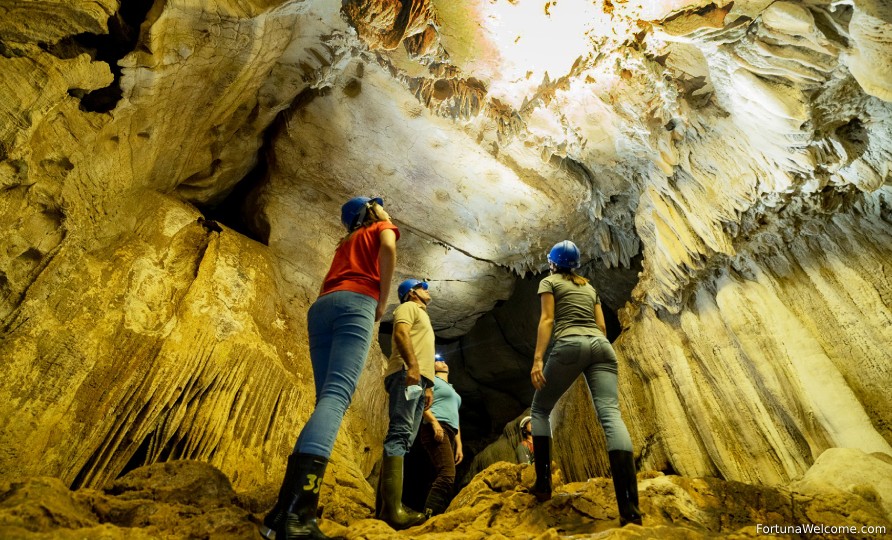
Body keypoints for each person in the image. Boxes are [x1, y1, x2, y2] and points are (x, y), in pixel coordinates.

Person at [261, 196, 398, 540]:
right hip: (357, 302)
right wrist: (381, 301)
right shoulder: (380, 227)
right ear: (369, 211)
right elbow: (389, 249)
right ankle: (299, 515)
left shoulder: (346, 243)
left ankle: (282, 512)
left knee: (326, 400)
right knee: (336, 398)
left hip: (323, 306)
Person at [528, 240, 643, 527]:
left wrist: (538, 359)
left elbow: (547, 320)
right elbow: (602, 327)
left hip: (569, 345)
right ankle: (630, 512)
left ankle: (542, 486)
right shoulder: (588, 287)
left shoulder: (549, 282)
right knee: (611, 417)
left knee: (540, 411)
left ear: (553, 263)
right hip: (601, 347)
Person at [379, 278, 435, 529]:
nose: (427, 290)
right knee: (400, 433)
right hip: (406, 373)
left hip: (418, 379)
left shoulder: (423, 315)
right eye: (423, 286)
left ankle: (387, 508)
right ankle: (393, 511)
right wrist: (412, 367)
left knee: (406, 439)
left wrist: (429, 385)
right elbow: (401, 333)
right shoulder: (407, 308)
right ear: (412, 293)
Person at [419, 358, 463, 516]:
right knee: (447, 474)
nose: (442, 361)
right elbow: (419, 402)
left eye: (444, 360)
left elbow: (455, 418)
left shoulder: (452, 389)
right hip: (437, 427)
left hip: (450, 430)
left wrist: (459, 445)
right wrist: (434, 423)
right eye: (437, 360)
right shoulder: (431, 381)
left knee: (444, 474)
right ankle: (428, 516)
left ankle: (436, 514)